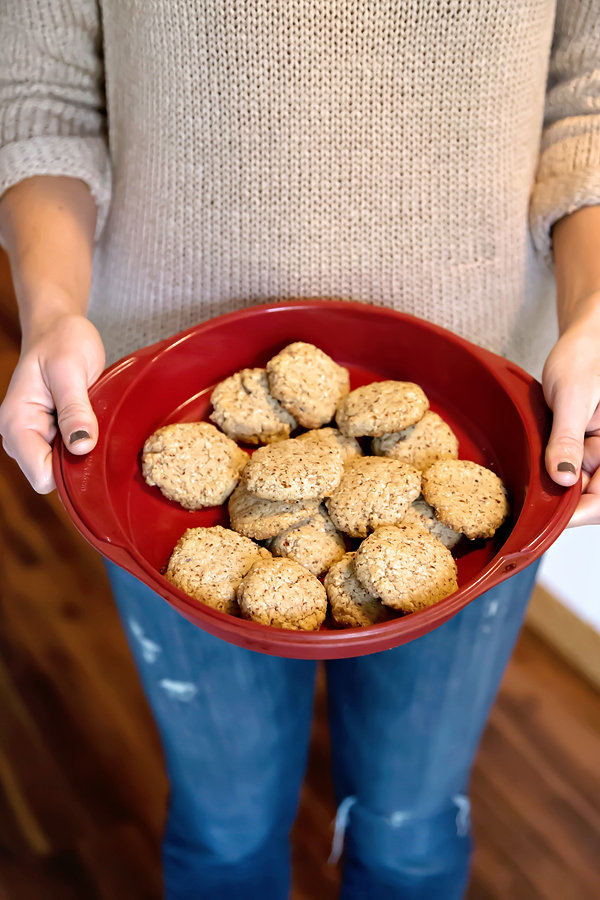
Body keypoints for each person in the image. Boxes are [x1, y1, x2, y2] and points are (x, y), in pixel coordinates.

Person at [0, 2, 599, 898]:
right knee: (224, 823)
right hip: (166, 409)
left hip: (480, 425)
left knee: (413, 825)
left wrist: (595, 316)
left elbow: (586, 98)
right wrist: (50, 312)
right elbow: (40, 92)